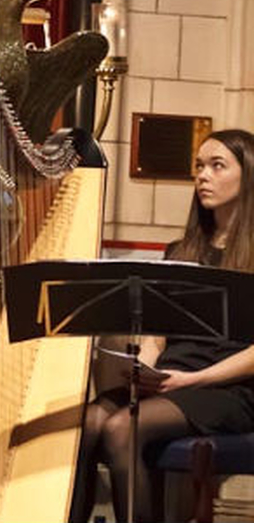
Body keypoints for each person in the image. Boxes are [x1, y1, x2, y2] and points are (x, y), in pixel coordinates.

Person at [71, 129, 254, 523]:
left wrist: (193, 380)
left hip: (229, 390)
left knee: (123, 428)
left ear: (248, 176)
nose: (203, 175)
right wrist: (145, 369)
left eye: (217, 166)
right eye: (200, 166)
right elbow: (157, 335)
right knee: (86, 423)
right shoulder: (180, 251)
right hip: (172, 379)